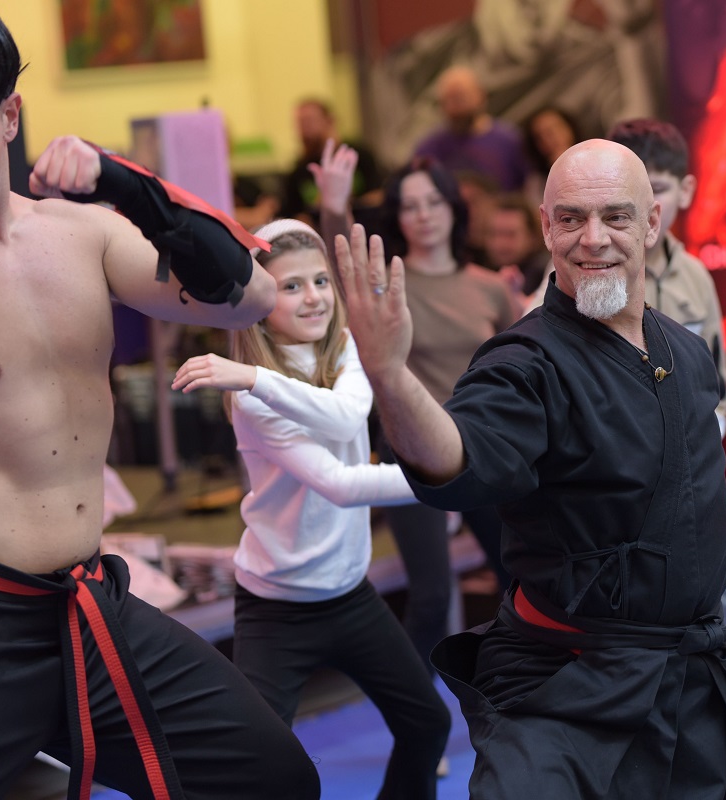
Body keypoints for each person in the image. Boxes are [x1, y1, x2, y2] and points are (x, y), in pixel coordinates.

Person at [333, 139, 726, 798]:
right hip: (572, 680)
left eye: (616, 216)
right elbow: (459, 457)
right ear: (546, 228)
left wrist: (710, 551)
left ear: (653, 223)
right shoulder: (524, 363)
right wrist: (390, 375)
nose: (593, 238)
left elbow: (670, 484)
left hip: (692, 663)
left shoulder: (685, 352)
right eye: (571, 218)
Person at [0, 13, 319, 800]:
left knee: (275, 779)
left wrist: (126, 184)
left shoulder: (81, 234)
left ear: (8, 115)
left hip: (84, 608)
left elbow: (251, 297)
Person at [171, 219, 451, 798]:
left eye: (321, 281)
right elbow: (340, 481)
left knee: (428, 724)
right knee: (261, 764)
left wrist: (254, 377)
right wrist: (448, 478)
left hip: (351, 596)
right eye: (291, 286)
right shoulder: (251, 397)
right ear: (258, 299)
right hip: (277, 610)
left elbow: (345, 413)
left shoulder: (344, 346)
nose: (314, 297)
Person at [321, 152, 520, 669]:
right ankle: (418, 710)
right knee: (431, 595)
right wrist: (335, 206)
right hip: (409, 444)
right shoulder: (387, 281)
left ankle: (518, 693)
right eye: (410, 206)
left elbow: (520, 369)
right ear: (398, 217)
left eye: (433, 201)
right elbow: (343, 267)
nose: (425, 214)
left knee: (520, 581)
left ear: (453, 207)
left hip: (481, 443)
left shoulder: (490, 286)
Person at [606, 117, 726, 632]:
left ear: (687, 191)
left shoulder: (694, 275)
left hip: (692, 474)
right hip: (616, 479)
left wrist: (699, 443)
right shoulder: (587, 270)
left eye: (660, 189)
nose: (648, 206)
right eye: (633, 192)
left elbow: (717, 382)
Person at [412, 65, 531, 193]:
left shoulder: (510, 140)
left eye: (461, 97)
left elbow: (528, 188)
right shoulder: (429, 149)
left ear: (481, 95)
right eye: (449, 99)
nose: (457, 106)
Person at [280, 98, 383, 225]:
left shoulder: (359, 155)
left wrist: (338, 200)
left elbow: (378, 196)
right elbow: (293, 216)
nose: (303, 129)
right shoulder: (298, 172)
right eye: (300, 123)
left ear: (329, 121)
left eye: (309, 121)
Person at [487, 192, 553, 297]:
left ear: (532, 237)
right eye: (495, 234)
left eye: (510, 234)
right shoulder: (481, 267)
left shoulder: (545, 274)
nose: (501, 243)